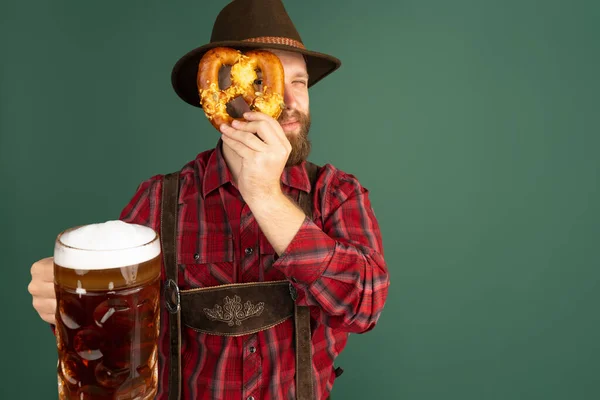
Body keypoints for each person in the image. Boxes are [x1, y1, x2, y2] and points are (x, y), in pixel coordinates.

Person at [28, 0, 390, 398]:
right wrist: (65, 304)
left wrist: (265, 196)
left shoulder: (337, 194)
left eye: (300, 82)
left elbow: (365, 305)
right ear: (216, 96)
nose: (289, 100)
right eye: (263, 81)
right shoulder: (160, 201)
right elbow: (117, 332)